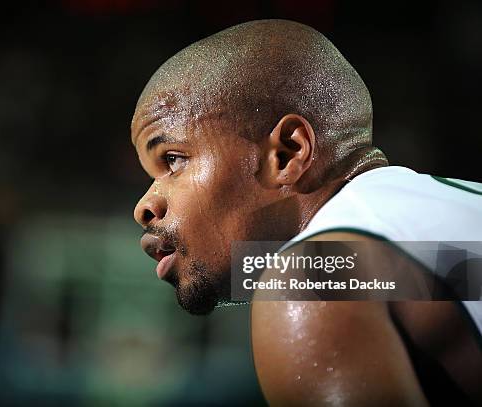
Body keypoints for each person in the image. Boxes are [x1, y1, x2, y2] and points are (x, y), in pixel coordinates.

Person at [131, 19, 482, 405]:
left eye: (174, 160)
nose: (144, 207)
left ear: (287, 153)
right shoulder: (455, 208)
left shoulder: (312, 278)